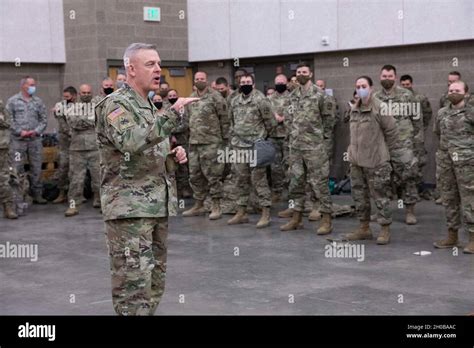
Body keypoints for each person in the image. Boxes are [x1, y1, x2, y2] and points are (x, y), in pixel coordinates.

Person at [95, 43, 197, 315]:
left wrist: (172, 155)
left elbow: (146, 149)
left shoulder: (149, 106)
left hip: (155, 206)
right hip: (129, 211)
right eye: (150, 64)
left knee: (153, 283)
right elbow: (129, 141)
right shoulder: (116, 104)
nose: (158, 69)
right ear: (130, 69)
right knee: (133, 287)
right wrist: (174, 113)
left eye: (159, 63)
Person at [343, 76, 407, 245]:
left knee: (380, 197)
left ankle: (385, 229)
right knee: (359, 196)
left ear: (371, 88)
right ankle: (364, 228)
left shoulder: (380, 107)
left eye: (363, 85)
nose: (360, 88)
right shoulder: (354, 108)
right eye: (357, 86)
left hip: (376, 161)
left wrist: (389, 157)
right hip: (356, 161)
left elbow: (392, 132)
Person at [280, 63, 334, 235]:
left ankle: (326, 220)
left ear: (310, 74)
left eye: (304, 72)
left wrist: (322, 141)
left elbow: (329, 120)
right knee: (296, 182)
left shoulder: (320, 95)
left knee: (319, 183)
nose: (301, 74)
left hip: (314, 147)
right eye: (298, 72)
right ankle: (296, 218)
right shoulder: (292, 96)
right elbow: (288, 119)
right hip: (295, 147)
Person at [227, 73, 276, 228]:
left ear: (253, 84)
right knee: (240, 180)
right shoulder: (234, 101)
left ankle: (265, 213)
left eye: (248, 82)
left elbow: (271, 122)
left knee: (259, 180)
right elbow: (231, 121)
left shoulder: (261, 100)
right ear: (239, 84)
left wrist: (262, 137)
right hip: (239, 146)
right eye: (243, 82)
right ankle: (241, 212)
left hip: (256, 146)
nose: (245, 84)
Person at [373, 64, 420, 225]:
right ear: (380, 77)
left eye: (390, 76)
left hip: (403, 144)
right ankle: (383, 211)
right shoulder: (375, 97)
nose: (387, 79)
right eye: (384, 76)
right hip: (382, 145)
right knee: (381, 179)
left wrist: (416, 142)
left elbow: (417, 119)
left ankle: (410, 211)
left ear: (395, 77)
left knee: (408, 177)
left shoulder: (407, 95)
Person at [433, 81, 474, 254]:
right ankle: (452, 235)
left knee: (469, 199)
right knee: (449, 198)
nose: (453, 93)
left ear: (466, 93)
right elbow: (437, 133)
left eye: (457, 90)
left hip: (467, 163)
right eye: (450, 90)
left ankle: (472, 237)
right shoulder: (442, 112)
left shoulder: (471, 113)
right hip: (445, 161)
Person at [182, 71, 229, 219]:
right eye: (197, 79)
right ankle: (199, 204)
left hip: (212, 142)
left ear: (207, 80)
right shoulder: (190, 98)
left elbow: (225, 119)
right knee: (195, 175)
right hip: (194, 142)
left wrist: (224, 140)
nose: (199, 81)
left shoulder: (216, 97)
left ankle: (216, 206)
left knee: (213, 175)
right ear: (194, 81)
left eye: (202, 78)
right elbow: (187, 119)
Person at [6, 76, 48, 204]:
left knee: (36, 168)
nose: (33, 87)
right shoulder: (13, 101)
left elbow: (44, 120)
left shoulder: (38, 102)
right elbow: (8, 120)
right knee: (17, 168)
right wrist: (20, 131)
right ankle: (18, 196)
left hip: (34, 140)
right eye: (31, 85)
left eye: (34, 85)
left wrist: (36, 131)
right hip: (18, 142)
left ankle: (37, 194)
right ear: (24, 85)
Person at [64, 84, 101, 216]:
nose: (86, 94)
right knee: (76, 179)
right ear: (79, 94)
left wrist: (84, 120)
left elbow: (99, 121)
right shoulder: (72, 107)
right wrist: (90, 121)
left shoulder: (97, 107)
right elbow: (73, 123)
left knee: (99, 177)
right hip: (77, 149)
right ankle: (73, 205)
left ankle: (101, 202)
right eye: (83, 93)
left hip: (94, 147)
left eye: (88, 92)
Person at [400, 74, 433, 192]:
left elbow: (427, 114)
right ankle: (404, 191)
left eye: (407, 85)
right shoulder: (397, 99)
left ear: (411, 84)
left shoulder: (420, 98)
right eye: (403, 85)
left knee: (418, 161)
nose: (405, 87)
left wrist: (421, 129)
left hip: (416, 137)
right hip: (401, 137)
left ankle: (418, 188)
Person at [267, 74, 290, 204]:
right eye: (278, 82)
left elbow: (296, 111)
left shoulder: (292, 97)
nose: (280, 84)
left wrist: (284, 117)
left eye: (282, 82)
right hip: (273, 135)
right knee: (275, 166)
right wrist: (274, 115)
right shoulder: (269, 99)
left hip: (287, 135)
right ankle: (277, 191)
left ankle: (290, 192)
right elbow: (265, 112)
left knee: (288, 165)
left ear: (286, 83)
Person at [53, 86, 77, 204]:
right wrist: (71, 133)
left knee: (76, 171)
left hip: (77, 145)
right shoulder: (60, 107)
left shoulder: (80, 107)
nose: (65, 99)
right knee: (63, 167)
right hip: (65, 144)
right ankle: (62, 192)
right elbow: (63, 125)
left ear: (74, 96)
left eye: (67, 97)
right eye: (64, 97)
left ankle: (76, 195)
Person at [0, 100, 17, 219]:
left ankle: (8, 207)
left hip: (2, 147)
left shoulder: (3, 110)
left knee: (3, 177)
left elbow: (8, 123)